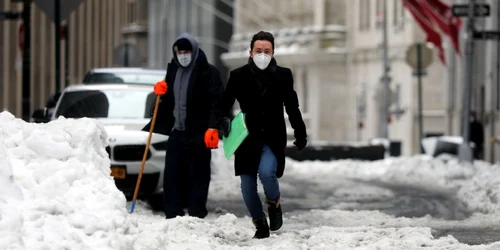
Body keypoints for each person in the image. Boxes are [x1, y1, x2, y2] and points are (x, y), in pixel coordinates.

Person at [216, 31, 307, 239]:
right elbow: (223, 105)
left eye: (267, 51)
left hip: (273, 137)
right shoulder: (238, 76)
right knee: (247, 188)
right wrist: (222, 121)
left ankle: (274, 204)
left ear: (273, 52)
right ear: (250, 52)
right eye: (258, 51)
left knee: (267, 172)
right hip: (246, 138)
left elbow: (292, 107)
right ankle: (260, 223)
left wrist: (300, 133)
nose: (262, 55)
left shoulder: (283, 75)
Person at [143, 33, 223, 219]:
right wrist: (160, 93)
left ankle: (196, 214)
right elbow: (168, 101)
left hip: (199, 132)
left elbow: (217, 103)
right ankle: (172, 214)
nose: (184, 55)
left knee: (198, 175)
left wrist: (213, 127)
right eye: (180, 52)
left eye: (187, 51)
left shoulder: (208, 72)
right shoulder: (173, 71)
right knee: (172, 174)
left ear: (194, 51)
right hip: (177, 131)